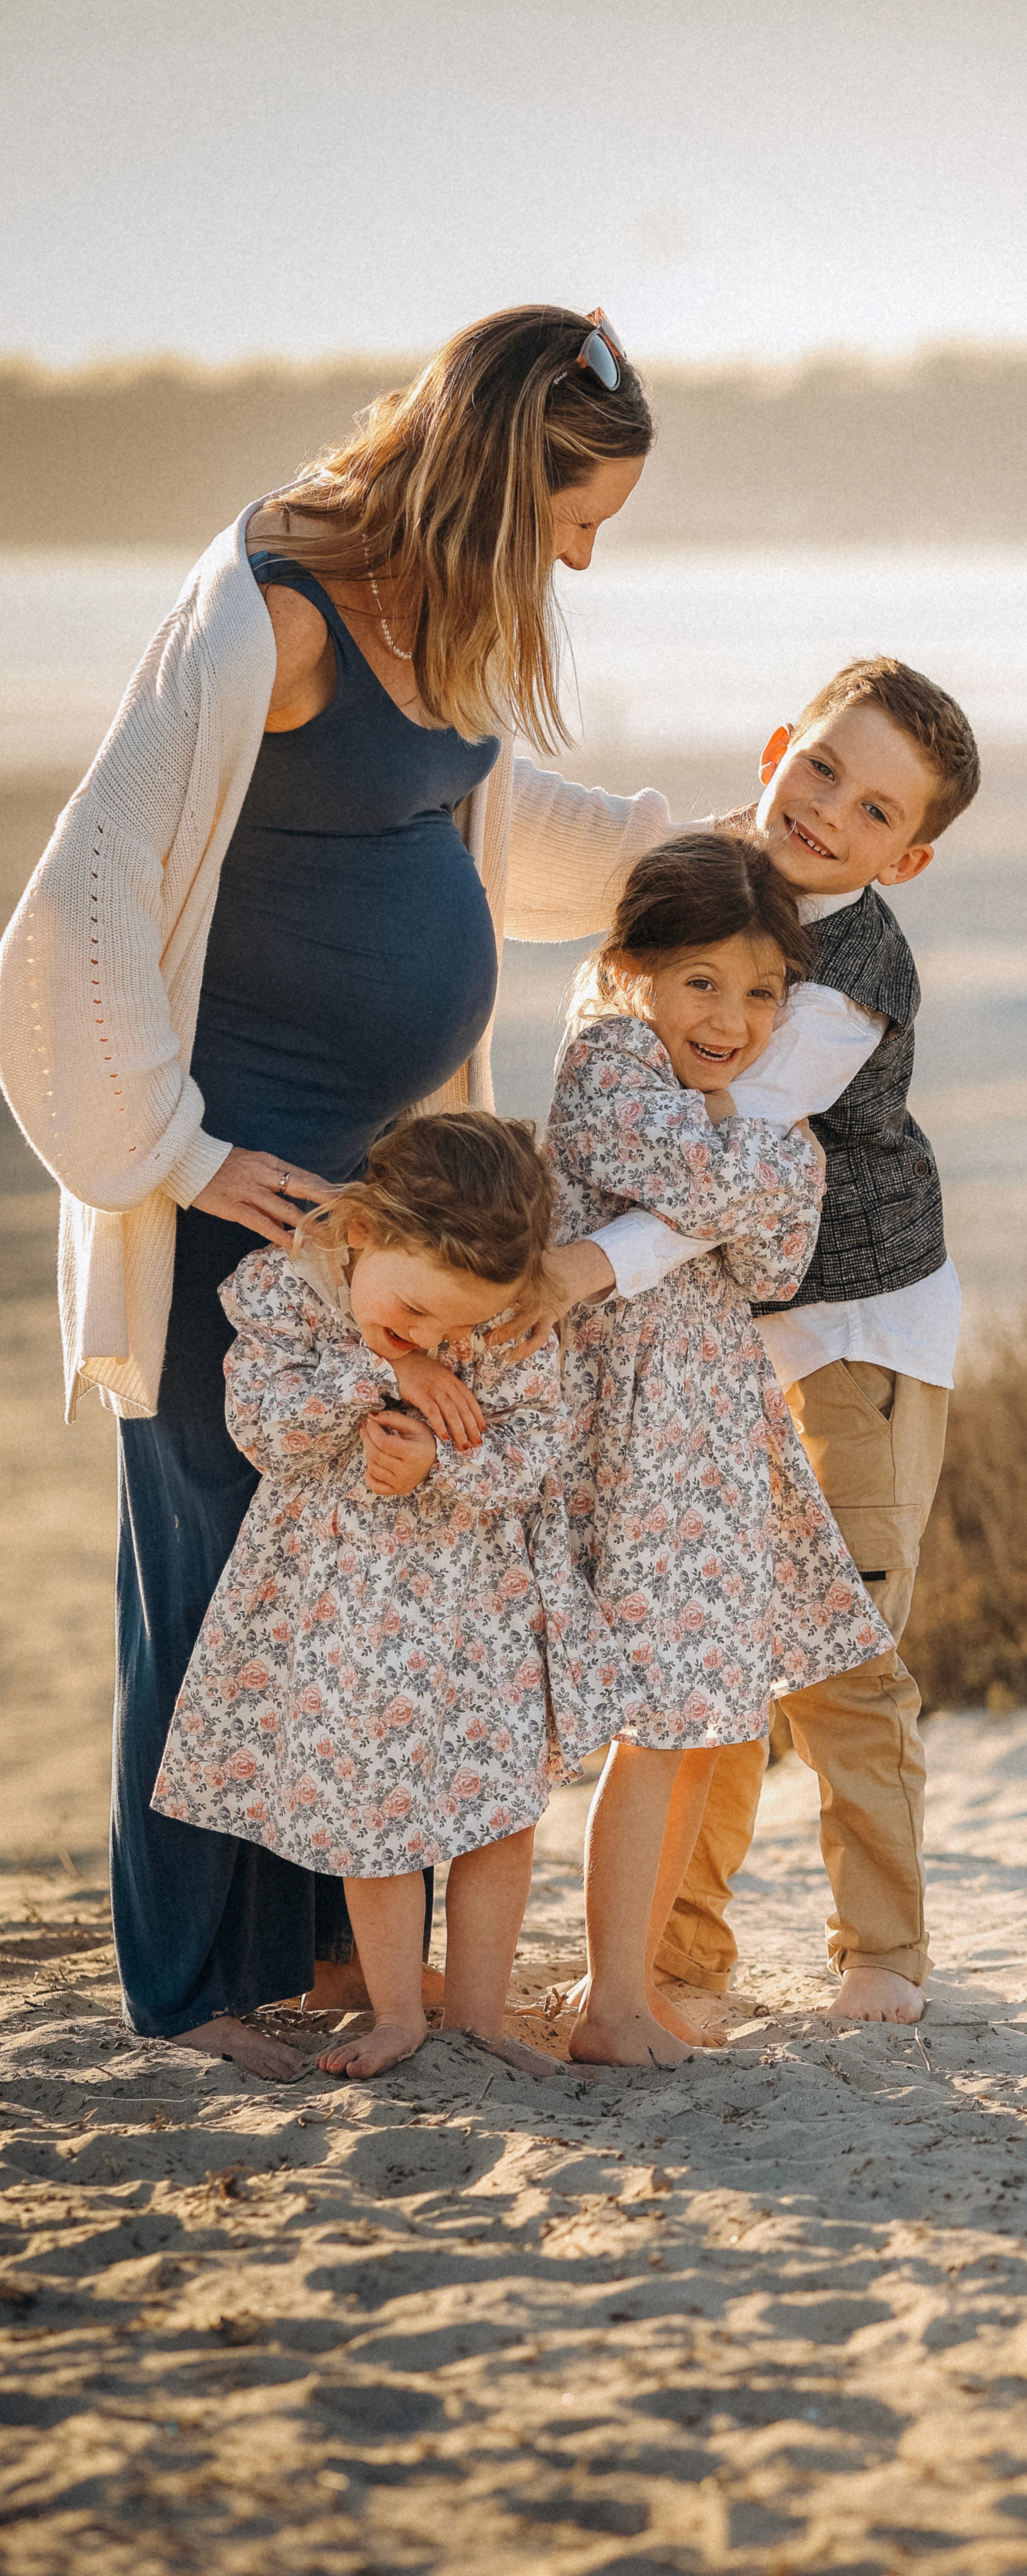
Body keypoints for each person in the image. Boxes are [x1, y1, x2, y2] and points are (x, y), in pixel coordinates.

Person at [0, 305, 678, 2078]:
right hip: (241, 1199)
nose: (587, 556)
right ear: (484, 478)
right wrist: (180, 1153)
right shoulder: (274, 613)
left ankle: (319, 1969)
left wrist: (696, 853)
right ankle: (201, 1991)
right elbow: (76, 913)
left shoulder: (443, 615)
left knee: (346, 1569)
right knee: (221, 1573)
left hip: (381, 1205)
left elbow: (469, 825)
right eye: (575, 513)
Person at [587, 660, 981, 2026]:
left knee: (844, 1651)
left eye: (874, 810)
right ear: (777, 748)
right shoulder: (705, 881)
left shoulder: (858, 967)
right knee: (713, 1646)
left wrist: (588, 1268)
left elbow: (734, 1144)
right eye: (821, 767)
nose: (828, 812)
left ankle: (882, 1952)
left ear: (908, 857)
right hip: (724, 1332)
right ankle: (679, 1950)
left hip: (858, 1329)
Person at [150, 1113, 614, 2080]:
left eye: (454, 1326)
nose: (439, 1339)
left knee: (499, 1812)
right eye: (417, 1314)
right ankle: (398, 2013)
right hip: (346, 1614)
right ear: (361, 1233)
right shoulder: (290, 1300)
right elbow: (262, 1428)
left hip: (478, 1611)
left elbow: (535, 1455)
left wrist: (437, 1471)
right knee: (377, 1813)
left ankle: (481, 2016)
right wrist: (383, 1369)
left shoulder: (505, 1322)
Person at [544, 832, 892, 2066]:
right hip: (641, 1446)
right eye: (702, 983)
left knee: (699, 1724)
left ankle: (631, 1984)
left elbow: (780, 1252)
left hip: (708, 1437)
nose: (733, 1021)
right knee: (657, 1723)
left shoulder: (685, 1090)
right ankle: (610, 2003)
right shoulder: (609, 1060)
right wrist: (783, 1153)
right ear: (632, 966)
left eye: (760, 994)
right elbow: (715, 1178)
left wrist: (760, 1181)